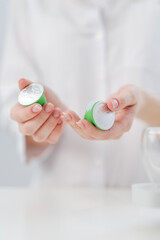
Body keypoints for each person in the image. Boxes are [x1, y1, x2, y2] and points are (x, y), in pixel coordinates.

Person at [0, 0, 160, 187]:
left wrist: (142, 103)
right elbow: (11, 106)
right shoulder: (28, 5)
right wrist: (41, 123)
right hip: (58, 203)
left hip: (142, 198)